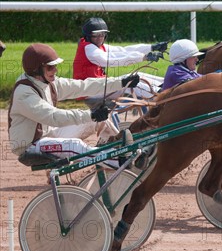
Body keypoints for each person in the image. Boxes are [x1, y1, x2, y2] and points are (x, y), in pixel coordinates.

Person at [8, 43, 140, 168]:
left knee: (100, 121)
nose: (55, 70)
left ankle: (117, 147)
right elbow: (53, 116)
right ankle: (120, 161)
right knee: (73, 145)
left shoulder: (48, 82)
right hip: (31, 146)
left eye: (55, 66)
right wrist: (92, 115)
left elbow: (83, 86)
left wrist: (121, 82)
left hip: (49, 135)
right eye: (50, 67)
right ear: (36, 70)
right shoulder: (24, 93)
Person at [73, 17, 166, 99]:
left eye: (102, 34)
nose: (100, 38)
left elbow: (123, 50)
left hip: (99, 86)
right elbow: (107, 60)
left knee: (140, 76)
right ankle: (164, 96)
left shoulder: (98, 46)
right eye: (96, 34)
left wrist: (152, 47)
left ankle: (167, 86)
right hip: (88, 92)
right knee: (131, 82)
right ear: (88, 35)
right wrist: (143, 57)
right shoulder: (88, 47)